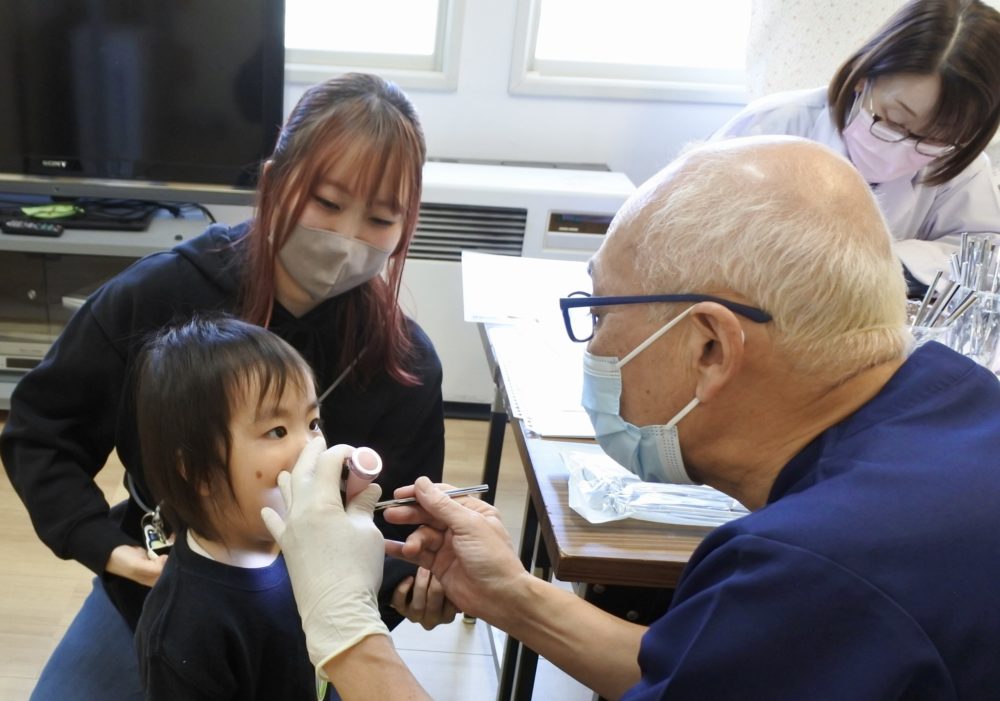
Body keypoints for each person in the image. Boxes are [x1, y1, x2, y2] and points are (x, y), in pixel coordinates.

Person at [263, 136, 1000, 700]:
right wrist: (512, 593)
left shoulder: (817, 574)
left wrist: (344, 627)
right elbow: (702, 673)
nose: (592, 347)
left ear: (710, 348)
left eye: (599, 313)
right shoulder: (954, 398)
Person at [0, 73, 451, 700]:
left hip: (313, 628)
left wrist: (411, 584)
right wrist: (114, 553)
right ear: (274, 181)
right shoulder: (155, 297)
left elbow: (395, 529)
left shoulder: (406, 363)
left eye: (379, 219)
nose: (346, 238)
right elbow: (41, 433)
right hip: (161, 593)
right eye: (326, 203)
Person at [713, 0, 1000, 290]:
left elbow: (985, 253)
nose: (902, 148)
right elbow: (699, 225)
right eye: (894, 120)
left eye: (934, 138)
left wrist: (882, 262)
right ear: (863, 76)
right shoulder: (771, 125)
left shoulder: (962, 166)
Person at [133, 316, 337, 699]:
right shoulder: (185, 634)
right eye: (277, 431)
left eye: (313, 422)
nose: (313, 448)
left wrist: (415, 572)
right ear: (201, 471)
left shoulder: (302, 538)